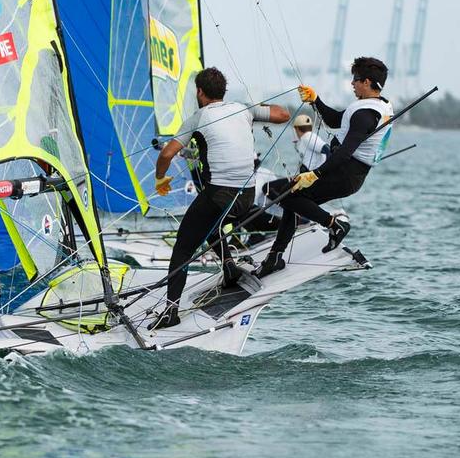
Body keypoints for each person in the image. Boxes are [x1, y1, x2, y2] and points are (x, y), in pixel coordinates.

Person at [149, 67, 289, 330]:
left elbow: (167, 154)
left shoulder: (198, 118)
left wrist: (160, 179)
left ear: (200, 92)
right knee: (209, 222)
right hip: (246, 197)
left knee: (182, 248)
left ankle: (171, 312)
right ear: (223, 92)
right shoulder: (244, 110)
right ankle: (229, 267)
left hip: (219, 197)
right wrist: (259, 108)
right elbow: (283, 114)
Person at [256, 56, 393, 277]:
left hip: (347, 173)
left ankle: (335, 225)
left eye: (356, 79)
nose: (352, 83)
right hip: (348, 172)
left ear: (367, 82)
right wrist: (316, 100)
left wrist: (314, 174)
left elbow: (346, 152)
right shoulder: (374, 106)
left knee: (289, 196)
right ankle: (275, 258)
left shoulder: (366, 115)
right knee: (293, 201)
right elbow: (335, 120)